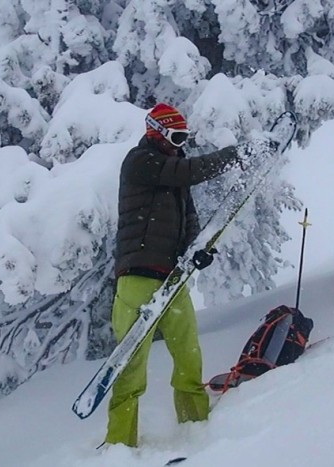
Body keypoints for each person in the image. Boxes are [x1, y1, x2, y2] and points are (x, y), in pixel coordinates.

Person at [106, 102, 241, 447]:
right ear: (158, 133)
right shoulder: (140, 162)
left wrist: (199, 251)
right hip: (138, 275)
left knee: (188, 354)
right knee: (131, 365)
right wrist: (235, 156)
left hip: (172, 280)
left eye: (185, 137)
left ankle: (195, 428)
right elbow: (188, 172)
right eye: (178, 136)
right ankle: (121, 445)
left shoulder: (174, 173)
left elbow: (190, 221)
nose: (182, 143)